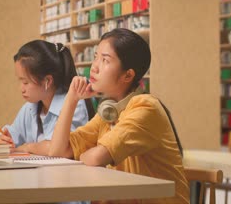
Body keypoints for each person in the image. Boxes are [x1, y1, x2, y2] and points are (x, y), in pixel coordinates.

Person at [48, 28, 190, 204]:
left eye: (105, 60)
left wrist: (85, 155)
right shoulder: (109, 112)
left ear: (128, 75)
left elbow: (95, 158)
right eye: (95, 57)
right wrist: (71, 98)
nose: (95, 66)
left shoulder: (145, 107)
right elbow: (57, 151)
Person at [0, 40, 90, 155]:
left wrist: (27, 147)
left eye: (25, 82)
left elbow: (58, 149)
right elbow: (12, 138)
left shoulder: (74, 103)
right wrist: (5, 140)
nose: (21, 89)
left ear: (47, 81)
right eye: (20, 81)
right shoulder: (30, 107)